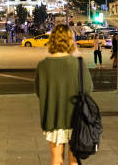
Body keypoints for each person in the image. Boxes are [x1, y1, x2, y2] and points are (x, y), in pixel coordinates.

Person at [35, 24, 92, 165]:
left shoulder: (43, 66)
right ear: (70, 40)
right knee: (74, 160)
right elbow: (88, 89)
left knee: (56, 159)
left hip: (53, 119)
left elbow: (39, 92)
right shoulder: (79, 64)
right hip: (76, 119)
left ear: (52, 40)